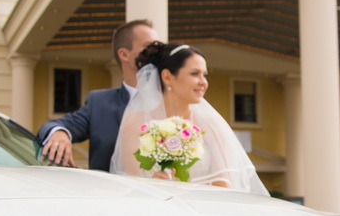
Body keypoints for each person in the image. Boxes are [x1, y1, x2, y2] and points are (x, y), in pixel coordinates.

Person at [110, 41, 268, 195]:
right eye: (194, 74)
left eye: (204, 75)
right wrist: (153, 184)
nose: (203, 82)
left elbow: (223, 185)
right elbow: (129, 182)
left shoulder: (211, 123)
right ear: (167, 77)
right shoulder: (136, 121)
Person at [36, 19, 159, 170]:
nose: (156, 52)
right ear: (124, 54)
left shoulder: (173, 100)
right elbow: (53, 125)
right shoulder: (99, 103)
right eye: (148, 46)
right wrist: (59, 133)